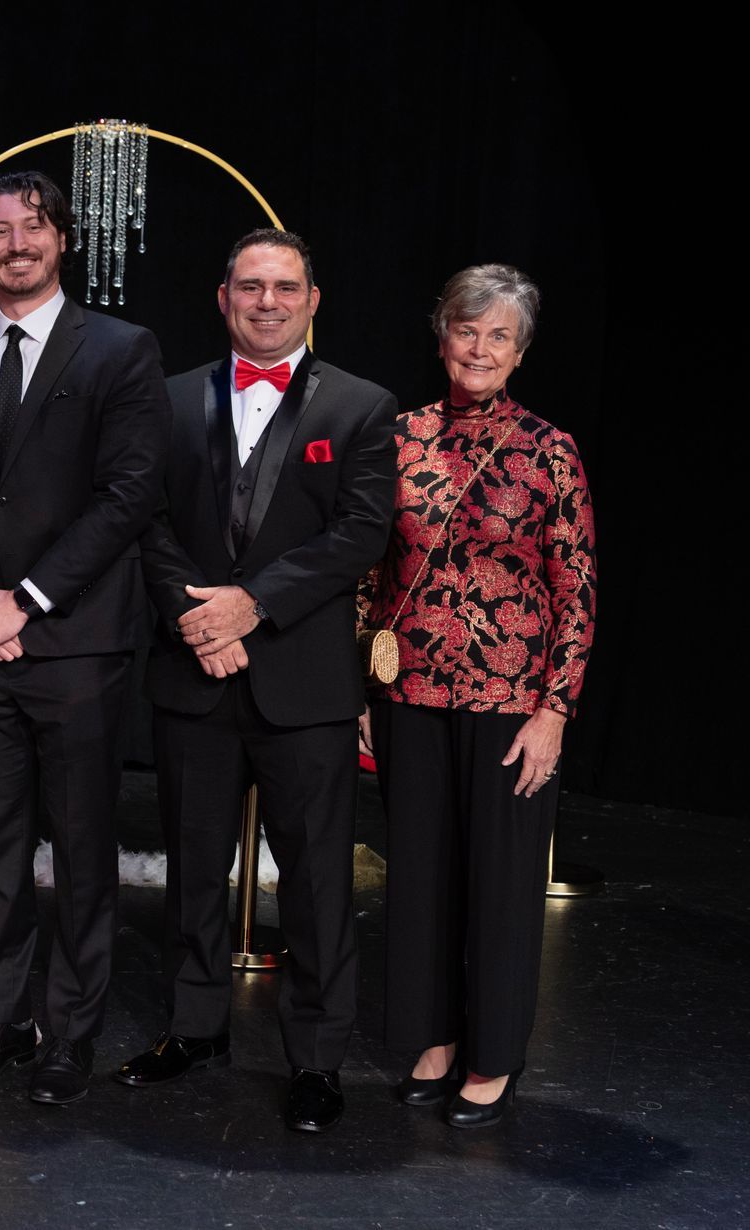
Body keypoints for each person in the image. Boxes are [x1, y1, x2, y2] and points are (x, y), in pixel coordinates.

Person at [115, 229, 396, 1133]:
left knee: (315, 883)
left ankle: (315, 1060)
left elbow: (359, 534)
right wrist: (197, 619)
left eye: (284, 287)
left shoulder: (362, 405)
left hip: (302, 685)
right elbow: (145, 523)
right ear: (224, 297)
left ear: (314, 299)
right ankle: (194, 1029)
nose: (266, 301)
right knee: (194, 871)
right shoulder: (166, 399)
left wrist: (251, 606)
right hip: (194, 669)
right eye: (250, 287)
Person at [0, 171, 169, 1106]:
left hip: (74, 644)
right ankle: (2, 1022)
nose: (15, 244)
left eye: (32, 228)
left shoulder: (119, 349)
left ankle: (71, 1032)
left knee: (80, 844)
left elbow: (129, 495)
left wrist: (23, 602)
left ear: (61, 240)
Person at [362, 263, 595, 1128]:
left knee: (498, 884)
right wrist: (363, 678)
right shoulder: (399, 437)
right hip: (409, 694)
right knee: (419, 876)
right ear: (442, 336)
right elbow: (370, 569)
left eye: (499, 336)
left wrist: (554, 711)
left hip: (511, 702)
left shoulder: (551, 450)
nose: (480, 348)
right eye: (468, 330)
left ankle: (493, 1055)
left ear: (521, 351)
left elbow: (577, 592)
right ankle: (430, 1040)